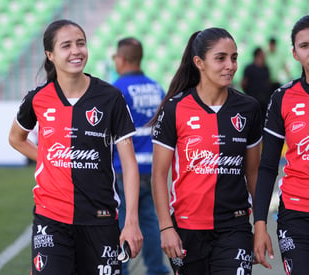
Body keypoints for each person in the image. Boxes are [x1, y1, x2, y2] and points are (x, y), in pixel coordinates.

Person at [8, 19, 143, 275]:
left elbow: (129, 163)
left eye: (80, 43)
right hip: (51, 217)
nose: (76, 51)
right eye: (66, 45)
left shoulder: (110, 97)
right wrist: (47, 159)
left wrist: (132, 222)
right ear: (50, 55)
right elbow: (16, 138)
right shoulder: (37, 99)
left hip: (100, 219)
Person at [149, 27, 262, 274]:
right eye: (220, 58)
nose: (230, 65)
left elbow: (254, 174)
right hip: (186, 230)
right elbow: (158, 175)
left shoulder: (249, 108)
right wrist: (166, 228)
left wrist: (261, 226)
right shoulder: (175, 108)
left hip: (235, 227)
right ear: (199, 62)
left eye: (234, 57)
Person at [254, 14, 309, 275]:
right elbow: (268, 166)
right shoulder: (283, 97)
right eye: (304, 46)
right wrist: (260, 223)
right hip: (297, 217)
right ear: (294, 53)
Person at [112, 37, 170, 275]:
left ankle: (121, 269)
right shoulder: (157, 88)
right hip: (153, 168)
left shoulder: (116, 90)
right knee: (150, 223)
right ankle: (157, 269)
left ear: (122, 59)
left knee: (123, 223)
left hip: (125, 170)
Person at [241, 47, 271, 123]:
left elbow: (268, 82)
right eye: (262, 54)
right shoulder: (249, 68)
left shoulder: (266, 68)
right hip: (252, 100)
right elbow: (244, 83)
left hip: (264, 101)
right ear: (257, 55)